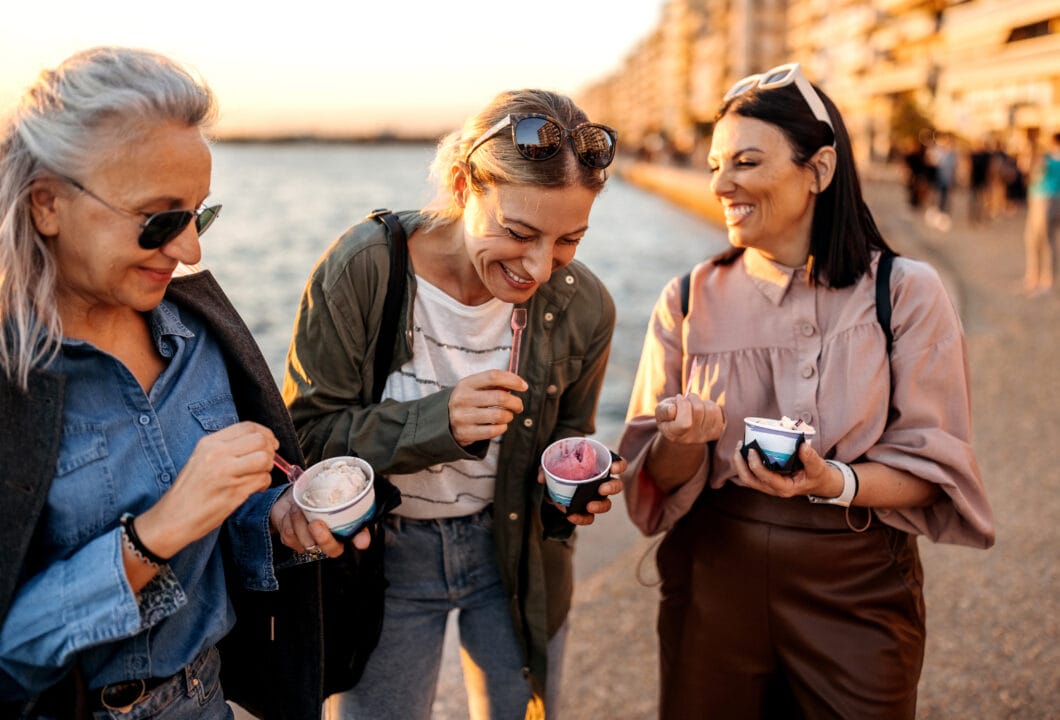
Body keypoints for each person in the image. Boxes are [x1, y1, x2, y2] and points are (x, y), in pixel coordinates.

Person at [618, 62, 995, 719]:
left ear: (819, 169)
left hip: (857, 586)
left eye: (745, 161)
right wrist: (681, 440)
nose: (720, 183)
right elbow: (653, 482)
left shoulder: (904, 293)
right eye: (715, 164)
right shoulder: (684, 300)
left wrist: (835, 482)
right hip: (713, 581)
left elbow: (934, 465)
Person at [0, 47, 367, 719]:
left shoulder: (199, 333)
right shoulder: (12, 379)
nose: (192, 250)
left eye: (202, 214)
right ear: (47, 204)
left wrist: (280, 522)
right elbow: (9, 656)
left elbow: (225, 531)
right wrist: (152, 535)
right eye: (161, 220)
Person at [283, 89, 625, 719]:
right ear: (465, 185)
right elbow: (303, 441)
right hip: (382, 557)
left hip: (517, 558)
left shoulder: (586, 306)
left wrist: (576, 491)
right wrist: (434, 422)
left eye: (568, 239)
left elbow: (569, 437)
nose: (539, 268)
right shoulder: (364, 268)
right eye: (519, 232)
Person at [1021, 131, 1060, 295]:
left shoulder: (1051, 159)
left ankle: (1045, 278)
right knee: (1035, 238)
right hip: (1041, 198)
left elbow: (1032, 170)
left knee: (1043, 239)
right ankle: (1036, 276)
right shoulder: (1047, 157)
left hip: (1046, 200)